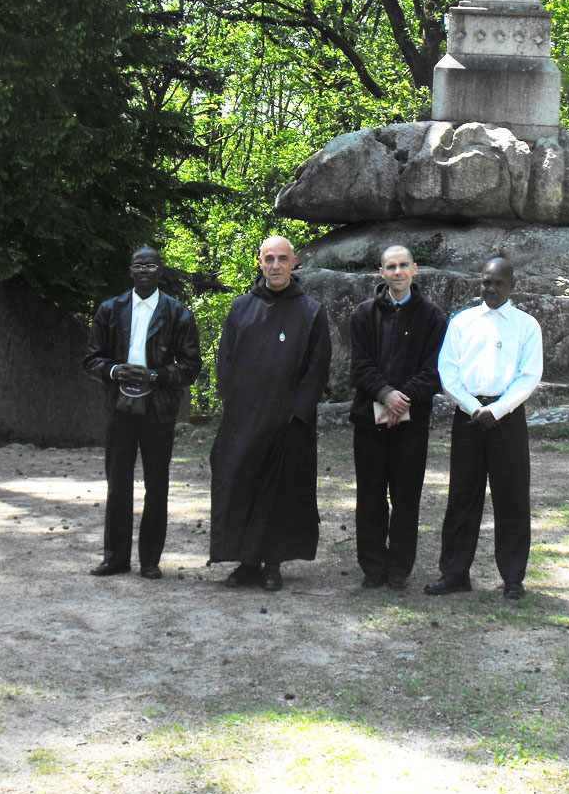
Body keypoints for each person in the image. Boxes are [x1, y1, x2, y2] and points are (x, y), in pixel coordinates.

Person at [209, 235, 331, 591]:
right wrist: (234, 403)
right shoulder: (241, 308)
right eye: (269, 259)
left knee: (281, 494)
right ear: (260, 263)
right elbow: (225, 360)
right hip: (244, 419)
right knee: (241, 485)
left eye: (282, 259)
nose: (275, 265)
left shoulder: (311, 311)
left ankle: (272, 563)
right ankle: (246, 562)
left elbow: (317, 367)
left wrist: (296, 412)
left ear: (294, 263)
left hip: (288, 423)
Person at [425, 257, 542, 600]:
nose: (490, 289)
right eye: (485, 282)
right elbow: (448, 371)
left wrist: (497, 409)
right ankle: (455, 573)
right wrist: (473, 407)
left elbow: (529, 376)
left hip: (507, 418)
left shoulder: (526, 326)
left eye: (498, 283)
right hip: (469, 416)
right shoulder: (462, 322)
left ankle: (513, 578)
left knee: (512, 497)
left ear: (512, 286)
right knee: (462, 496)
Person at [83, 245, 201, 579]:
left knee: (157, 484)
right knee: (117, 483)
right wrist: (114, 371)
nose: (144, 270)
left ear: (160, 271)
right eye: (138, 265)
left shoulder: (177, 313)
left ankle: (150, 560)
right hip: (119, 408)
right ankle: (115, 558)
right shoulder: (111, 309)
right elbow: (91, 358)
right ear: (130, 270)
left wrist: (155, 376)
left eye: (151, 265)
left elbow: (191, 366)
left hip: (158, 409)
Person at [350, 244, 447, 590]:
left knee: (406, 497)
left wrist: (402, 401)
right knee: (370, 497)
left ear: (415, 269)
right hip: (369, 421)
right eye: (391, 266)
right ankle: (372, 567)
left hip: (412, 423)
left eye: (403, 265)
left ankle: (399, 569)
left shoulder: (433, 317)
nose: (398, 272)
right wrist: (385, 395)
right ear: (381, 273)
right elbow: (360, 366)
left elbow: (435, 370)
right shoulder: (363, 314)